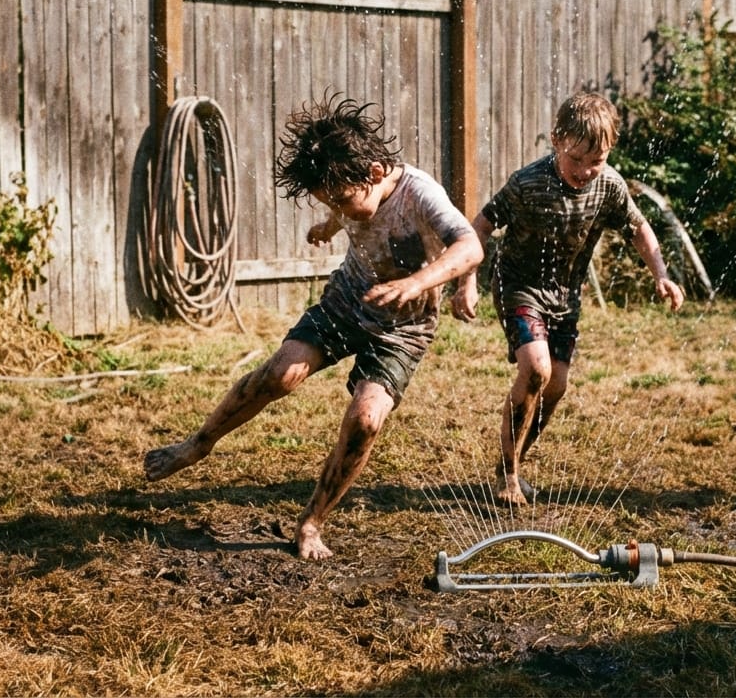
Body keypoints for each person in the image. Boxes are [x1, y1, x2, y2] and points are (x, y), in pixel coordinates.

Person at [144, 94, 483, 559]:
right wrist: (331, 224)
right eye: (330, 203)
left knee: (366, 418)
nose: (341, 209)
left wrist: (419, 282)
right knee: (283, 372)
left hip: (403, 329)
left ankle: (311, 523)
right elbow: (351, 208)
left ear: (376, 172)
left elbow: (469, 246)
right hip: (346, 303)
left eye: (342, 201)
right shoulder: (352, 188)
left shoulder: (420, 193)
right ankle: (197, 444)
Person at [451, 91, 684, 506]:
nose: (586, 171)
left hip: (565, 295)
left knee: (556, 385)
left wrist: (661, 275)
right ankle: (507, 476)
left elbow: (638, 228)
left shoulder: (609, 185)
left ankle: (514, 461)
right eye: (577, 160)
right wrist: (466, 280)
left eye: (597, 161)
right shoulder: (528, 183)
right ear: (557, 140)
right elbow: (481, 225)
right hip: (518, 285)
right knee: (536, 369)